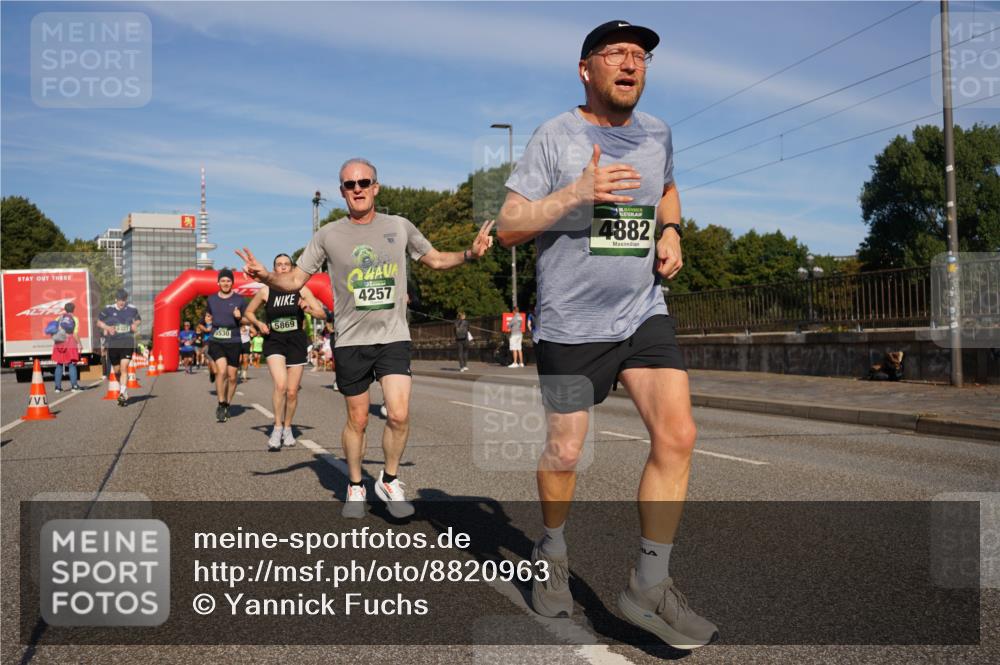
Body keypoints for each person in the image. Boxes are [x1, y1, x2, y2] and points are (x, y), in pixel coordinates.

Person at [495, 20, 718, 648]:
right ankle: (553, 548)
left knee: (679, 435)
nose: (631, 63)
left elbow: (667, 189)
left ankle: (649, 584)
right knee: (565, 453)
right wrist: (575, 192)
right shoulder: (553, 136)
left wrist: (672, 231)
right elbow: (510, 225)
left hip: (643, 311)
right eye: (615, 54)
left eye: (640, 55)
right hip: (571, 325)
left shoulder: (658, 134)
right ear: (585, 69)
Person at [237, 157, 494, 520]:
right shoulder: (328, 234)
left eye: (363, 182)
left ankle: (389, 480)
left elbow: (433, 259)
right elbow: (294, 281)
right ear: (342, 192)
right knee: (357, 420)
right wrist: (265, 276)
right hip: (351, 341)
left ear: (376, 187)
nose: (356, 189)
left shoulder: (400, 226)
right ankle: (356, 485)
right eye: (349, 184)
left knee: (399, 414)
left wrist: (470, 254)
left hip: (393, 336)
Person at [244, 253, 327, 451]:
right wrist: (258, 323)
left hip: (296, 341)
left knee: (291, 392)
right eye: (279, 265)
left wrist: (307, 308)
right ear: (274, 269)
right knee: (280, 385)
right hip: (274, 341)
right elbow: (249, 312)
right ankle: (277, 427)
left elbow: (322, 313)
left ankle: (288, 427)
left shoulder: (301, 289)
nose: (282, 267)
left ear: (291, 268)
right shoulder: (266, 291)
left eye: (286, 264)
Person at [202, 269, 247, 422]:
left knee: (233, 377)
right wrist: (207, 319)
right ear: (218, 282)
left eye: (228, 281)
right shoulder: (212, 299)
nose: (226, 283)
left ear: (232, 283)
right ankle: (221, 403)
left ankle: (228, 403)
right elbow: (207, 315)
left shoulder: (240, 300)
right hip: (217, 340)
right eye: (223, 280)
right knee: (221, 371)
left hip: (234, 341)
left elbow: (247, 319)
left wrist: (240, 317)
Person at [98, 289, 141, 406]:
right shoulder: (109, 309)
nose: (122, 302)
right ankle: (124, 389)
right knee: (116, 370)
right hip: (113, 344)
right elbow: (99, 322)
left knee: (124, 368)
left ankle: (122, 393)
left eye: (124, 300)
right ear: (116, 299)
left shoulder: (132, 309)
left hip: (127, 342)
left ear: (126, 299)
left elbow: (138, 319)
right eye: (120, 300)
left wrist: (134, 324)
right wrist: (107, 327)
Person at [51, 303, 81, 392]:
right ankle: (74, 386)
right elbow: (75, 333)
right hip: (70, 342)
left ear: (65, 309)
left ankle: (57, 387)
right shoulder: (75, 319)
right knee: (72, 364)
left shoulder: (59, 318)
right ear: (73, 309)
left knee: (59, 364)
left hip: (59, 342)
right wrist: (79, 343)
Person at [197, 313, 216, 382]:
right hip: (207, 343)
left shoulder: (216, 323)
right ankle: (212, 372)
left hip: (217, 342)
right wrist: (206, 329)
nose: (209, 318)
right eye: (207, 316)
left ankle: (214, 372)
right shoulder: (203, 325)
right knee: (210, 361)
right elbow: (201, 326)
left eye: (210, 316)